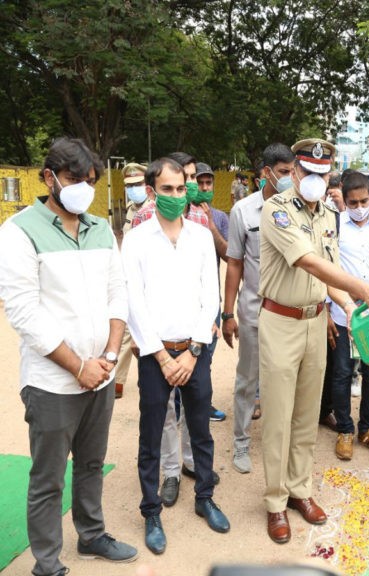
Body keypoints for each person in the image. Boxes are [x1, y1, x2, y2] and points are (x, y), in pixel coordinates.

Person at [0, 137, 138, 575]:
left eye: (90, 180)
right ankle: (47, 563)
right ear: (49, 178)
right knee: (47, 476)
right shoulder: (19, 232)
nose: (84, 188)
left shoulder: (100, 229)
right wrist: (77, 365)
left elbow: (119, 294)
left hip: (99, 372)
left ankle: (92, 535)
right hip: (52, 381)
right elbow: (23, 312)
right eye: (75, 179)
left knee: (92, 463)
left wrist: (109, 356)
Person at [258, 138, 369, 545]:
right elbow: (306, 262)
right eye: (307, 172)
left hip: (317, 323)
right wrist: (366, 291)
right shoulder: (276, 211)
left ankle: (300, 490)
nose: (315, 180)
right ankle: (275, 502)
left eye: (323, 174)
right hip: (281, 322)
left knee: (305, 416)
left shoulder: (328, 216)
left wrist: (350, 309)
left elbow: (328, 272)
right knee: (279, 417)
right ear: (294, 172)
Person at [122, 157, 230, 555]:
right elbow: (134, 302)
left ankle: (205, 497)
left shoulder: (201, 236)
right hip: (154, 355)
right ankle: (151, 511)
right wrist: (164, 359)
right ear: (152, 192)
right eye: (167, 189)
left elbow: (211, 298)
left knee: (200, 431)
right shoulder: (136, 239)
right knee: (151, 436)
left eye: (181, 189)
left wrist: (193, 351)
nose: (176, 196)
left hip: (194, 351)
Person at [222, 143, 295, 474]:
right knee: (247, 379)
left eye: (293, 171)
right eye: (283, 172)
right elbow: (234, 263)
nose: (290, 178)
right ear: (266, 173)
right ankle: (240, 442)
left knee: (283, 377)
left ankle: (280, 441)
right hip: (253, 309)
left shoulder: (297, 208)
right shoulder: (243, 211)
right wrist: (227, 313)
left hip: (288, 311)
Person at [329, 171, 369, 461]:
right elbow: (327, 269)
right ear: (344, 198)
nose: (358, 207)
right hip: (344, 313)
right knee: (342, 373)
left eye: (364, 201)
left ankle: (368, 428)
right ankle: (345, 429)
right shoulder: (335, 225)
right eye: (352, 202)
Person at [115, 162, 149, 399]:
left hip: (149, 278)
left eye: (137, 184)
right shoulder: (132, 208)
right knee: (127, 327)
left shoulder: (153, 209)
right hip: (130, 276)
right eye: (129, 186)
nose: (133, 189)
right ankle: (117, 381)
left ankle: (118, 381)